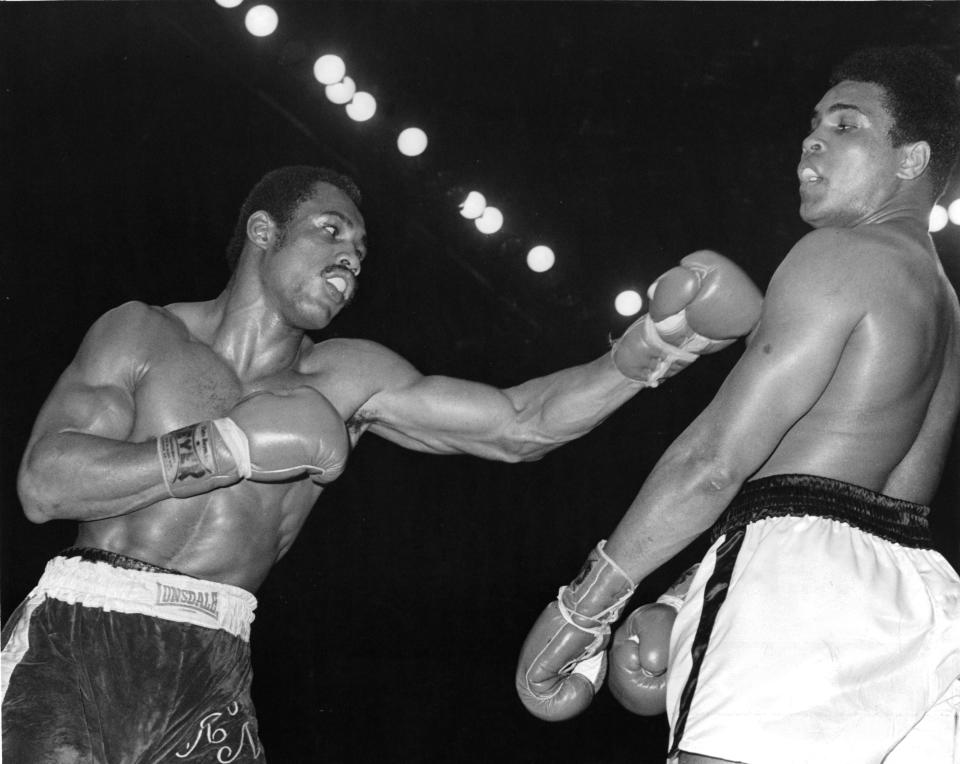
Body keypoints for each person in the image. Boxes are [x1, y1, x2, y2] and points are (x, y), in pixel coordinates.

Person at [0, 164, 761, 762]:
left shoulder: (348, 378)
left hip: (211, 658)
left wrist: (645, 357)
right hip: (77, 636)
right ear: (264, 231)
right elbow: (45, 482)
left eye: (360, 253)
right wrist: (223, 448)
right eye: (330, 233)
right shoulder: (143, 334)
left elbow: (517, 424)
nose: (349, 260)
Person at [516, 45, 960, 764]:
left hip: (795, 599)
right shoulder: (946, 305)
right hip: (919, 614)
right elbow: (856, 503)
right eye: (814, 124)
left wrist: (584, 607)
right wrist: (686, 594)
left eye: (846, 126)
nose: (812, 139)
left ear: (912, 160)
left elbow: (715, 461)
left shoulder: (838, 256)